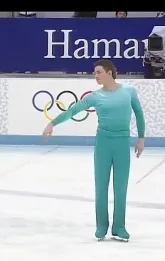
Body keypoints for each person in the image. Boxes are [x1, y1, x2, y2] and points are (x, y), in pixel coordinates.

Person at [42, 60, 146, 242]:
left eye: (98, 72)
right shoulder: (95, 96)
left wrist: (141, 138)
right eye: (95, 72)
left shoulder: (129, 91)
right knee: (101, 187)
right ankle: (101, 226)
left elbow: (138, 113)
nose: (95, 76)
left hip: (122, 143)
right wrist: (52, 123)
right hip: (103, 144)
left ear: (109, 72)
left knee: (120, 188)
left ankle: (119, 226)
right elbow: (72, 110)